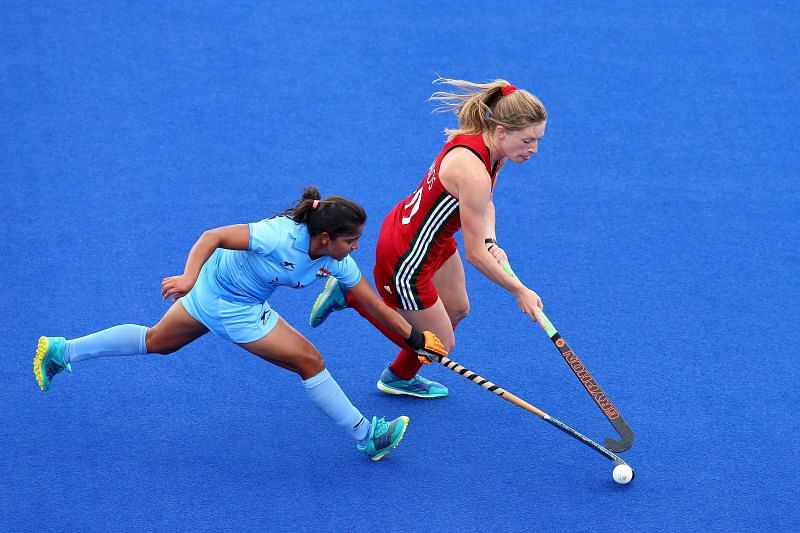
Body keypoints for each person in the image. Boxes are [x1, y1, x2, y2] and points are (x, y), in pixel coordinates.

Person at [33, 186, 448, 461]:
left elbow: (374, 305)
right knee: (309, 360)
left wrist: (415, 338)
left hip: (220, 292)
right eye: (351, 240)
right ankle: (366, 436)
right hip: (230, 303)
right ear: (325, 239)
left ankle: (61, 350)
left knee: (158, 341)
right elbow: (211, 236)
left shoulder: (336, 259)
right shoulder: (276, 236)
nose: (356, 246)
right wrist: (189, 277)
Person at [309, 77, 547, 399]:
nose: (534, 150)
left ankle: (397, 378)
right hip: (408, 256)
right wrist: (519, 290)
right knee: (439, 347)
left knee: (458, 309)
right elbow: (475, 255)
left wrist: (492, 241)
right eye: (528, 141)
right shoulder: (473, 171)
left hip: (430, 237)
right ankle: (351, 297)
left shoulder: (493, 149)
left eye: (537, 141)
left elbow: (484, 205)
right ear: (503, 131)